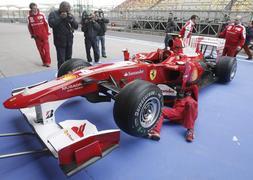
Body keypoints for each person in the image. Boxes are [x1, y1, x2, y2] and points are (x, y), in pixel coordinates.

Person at [148, 61, 199, 142]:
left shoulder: (194, 87)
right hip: (177, 112)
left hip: (188, 113)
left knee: (190, 103)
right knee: (160, 110)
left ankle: (190, 131)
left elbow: (195, 105)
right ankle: (155, 132)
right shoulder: (177, 84)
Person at [48, 1, 78, 69]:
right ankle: (61, 74)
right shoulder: (53, 14)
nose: (67, 11)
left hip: (69, 40)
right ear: (61, 7)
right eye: (66, 9)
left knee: (69, 58)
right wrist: (60, 18)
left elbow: (76, 26)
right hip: (59, 41)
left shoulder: (69, 14)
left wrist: (71, 19)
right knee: (61, 59)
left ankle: (68, 72)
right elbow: (51, 24)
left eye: (68, 9)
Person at [27, 2, 51, 67]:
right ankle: (44, 62)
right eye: (33, 8)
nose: (35, 9)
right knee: (40, 50)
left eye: (35, 8)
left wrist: (47, 32)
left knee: (46, 49)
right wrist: (32, 34)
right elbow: (29, 27)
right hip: (36, 37)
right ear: (31, 9)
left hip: (44, 35)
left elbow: (46, 24)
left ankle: (48, 62)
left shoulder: (42, 15)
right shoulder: (29, 17)